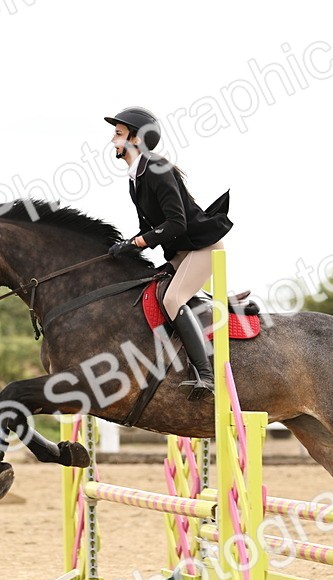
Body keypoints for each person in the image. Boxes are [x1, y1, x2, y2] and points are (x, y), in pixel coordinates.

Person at [104, 106, 233, 400]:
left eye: (118, 134)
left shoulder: (157, 170)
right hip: (181, 252)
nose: (113, 140)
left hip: (203, 248)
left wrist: (137, 243)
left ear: (136, 139)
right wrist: (127, 245)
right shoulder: (135, 178)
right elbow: (147, 227)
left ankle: (207, 375)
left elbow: (176, 223)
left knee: (173, 298)